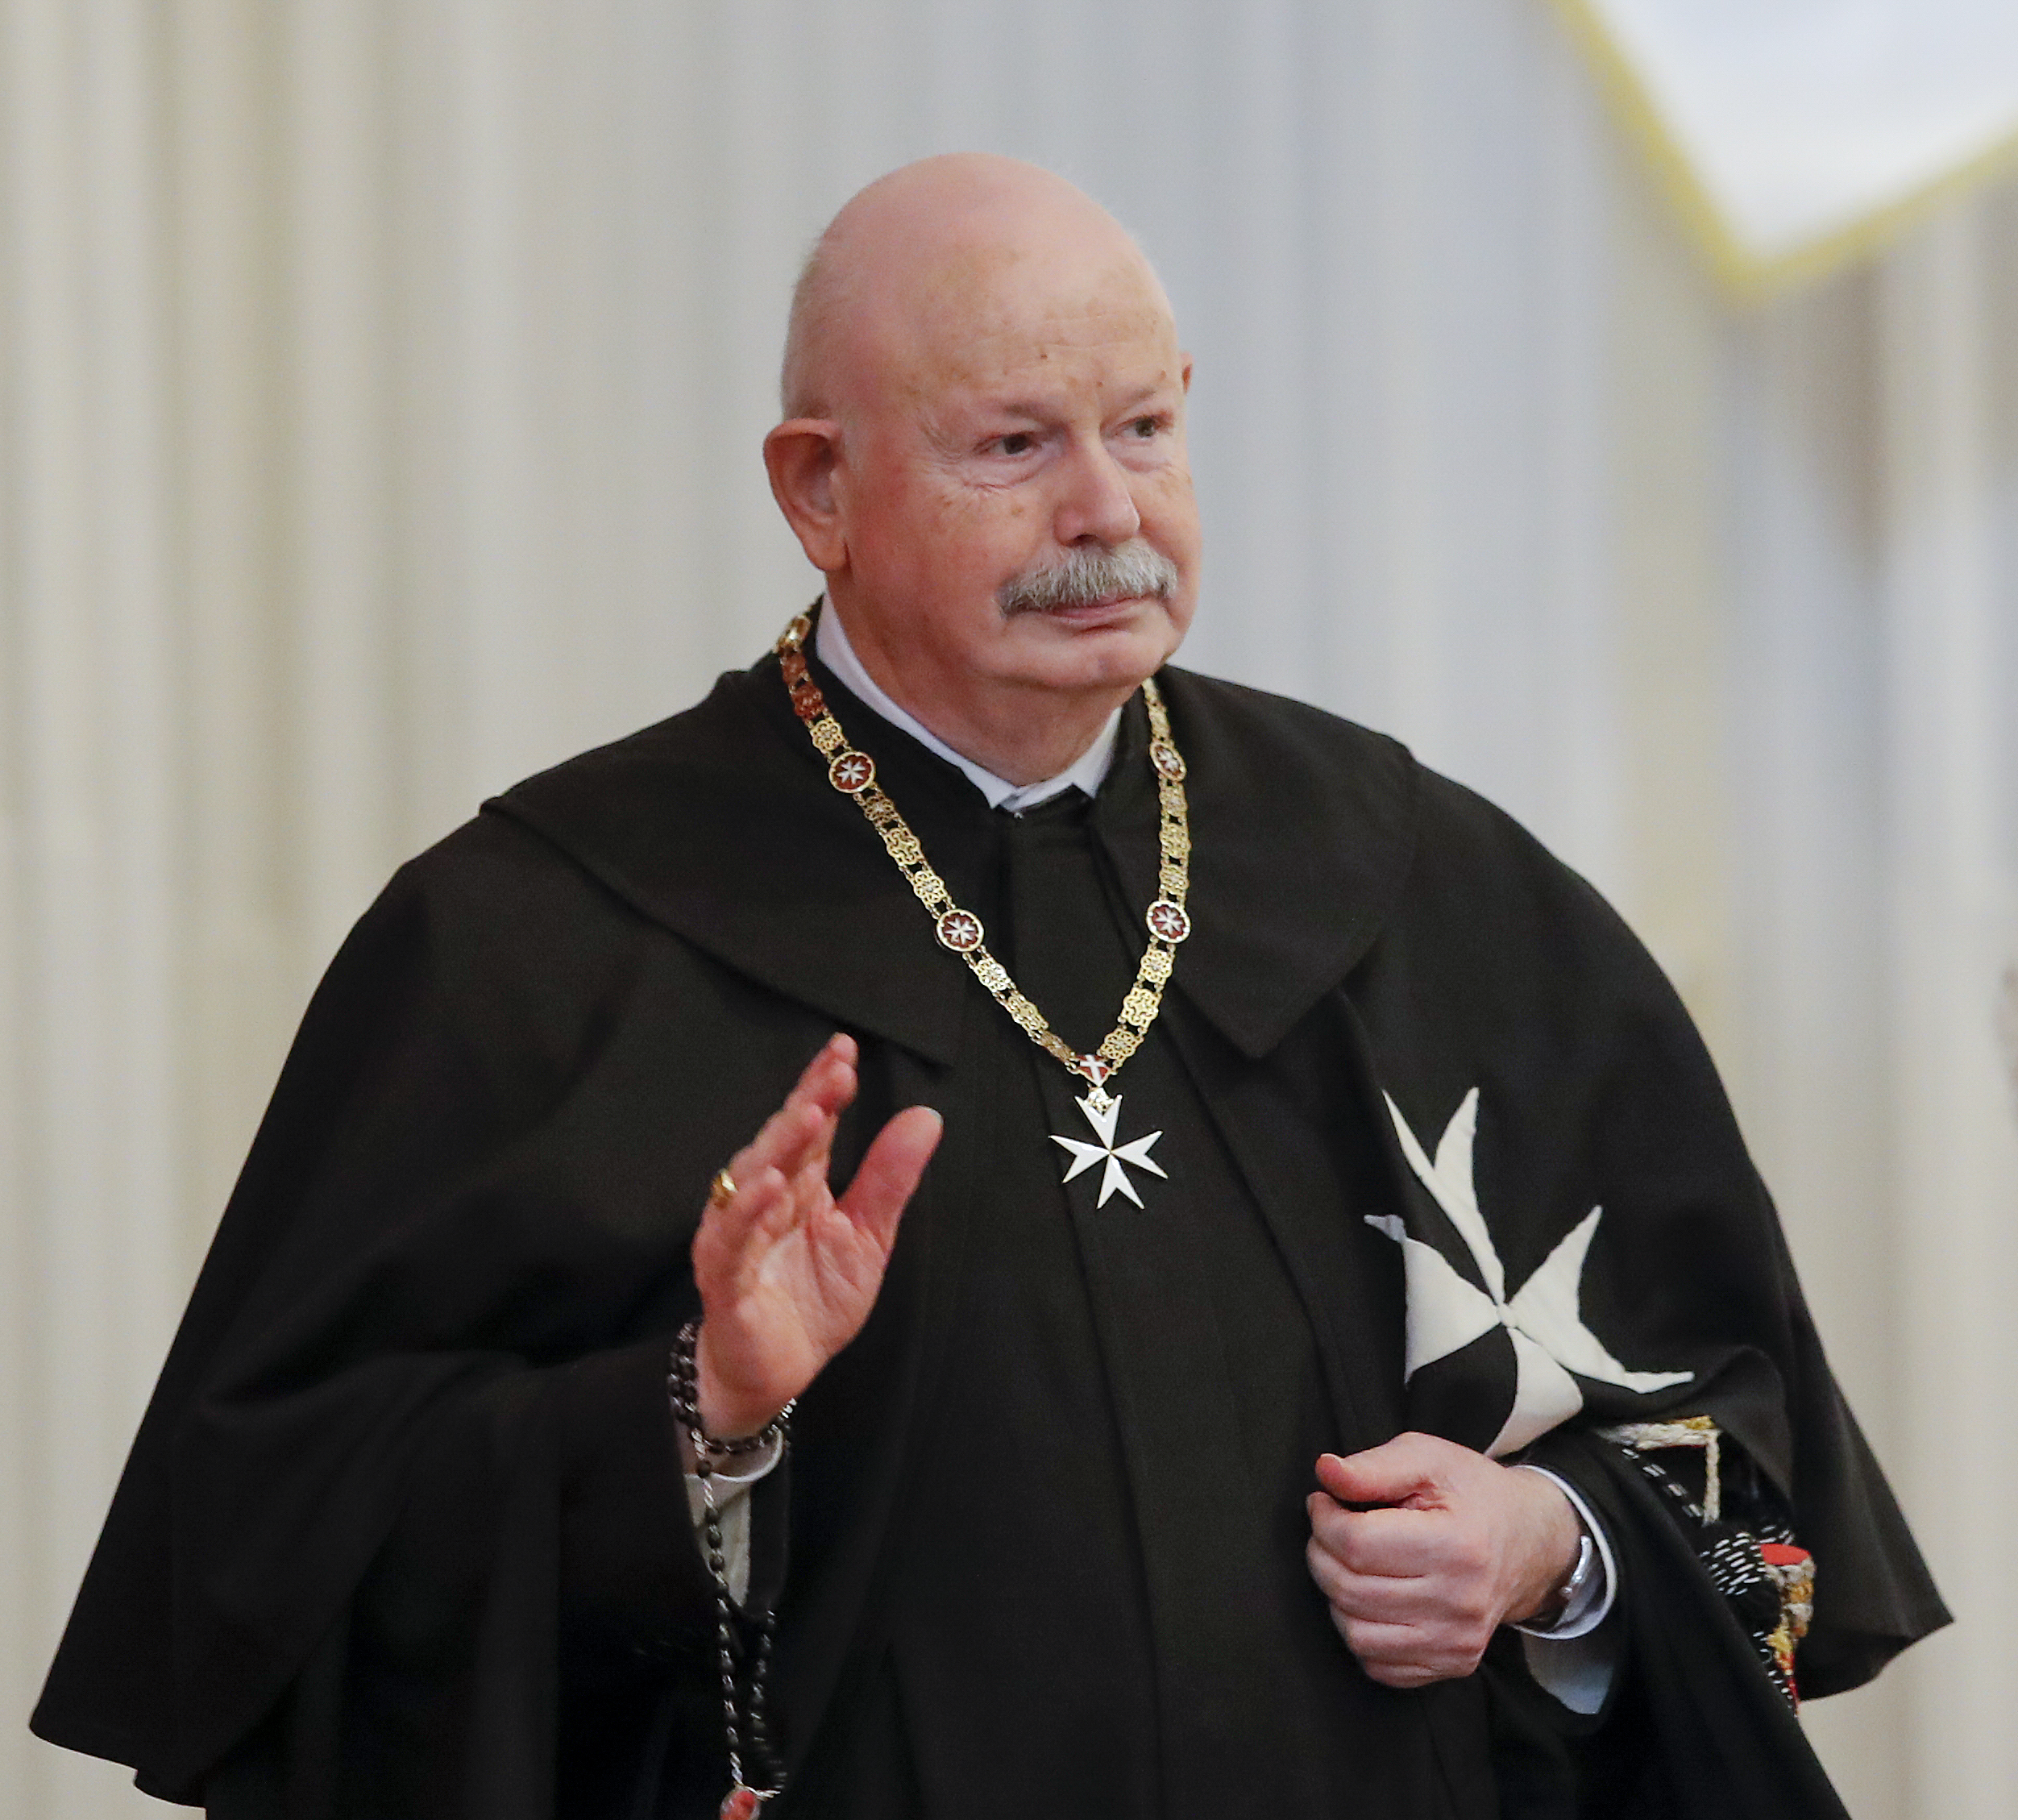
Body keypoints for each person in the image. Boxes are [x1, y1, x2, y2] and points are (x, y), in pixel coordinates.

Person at [34, 154, 1945, 1820]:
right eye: (1013, 445)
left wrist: (1559, 1546)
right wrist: (695, 1414)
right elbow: (278, 1568)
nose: (1106, 511)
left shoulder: (1430, 891)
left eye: (1145, 427)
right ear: (818, 487)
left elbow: (1765, 1491)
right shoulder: (537, 945)